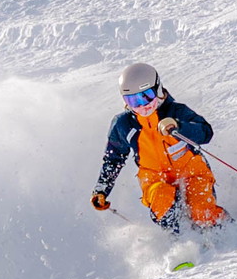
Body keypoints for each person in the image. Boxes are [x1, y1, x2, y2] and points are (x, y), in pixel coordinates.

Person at [90, 62, 229, 234]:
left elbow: (206, 132)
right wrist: (102, 190)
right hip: (155, 179)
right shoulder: (123, 124)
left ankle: (225, 228)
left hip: (192, 172)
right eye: (133, 100)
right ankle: (183, 241)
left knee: (201, 213)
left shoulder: (176, 111)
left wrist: (178, 126)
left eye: (146, 96)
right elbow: (113, 158)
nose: (142, 106)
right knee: (162, 202)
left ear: (158, 88)